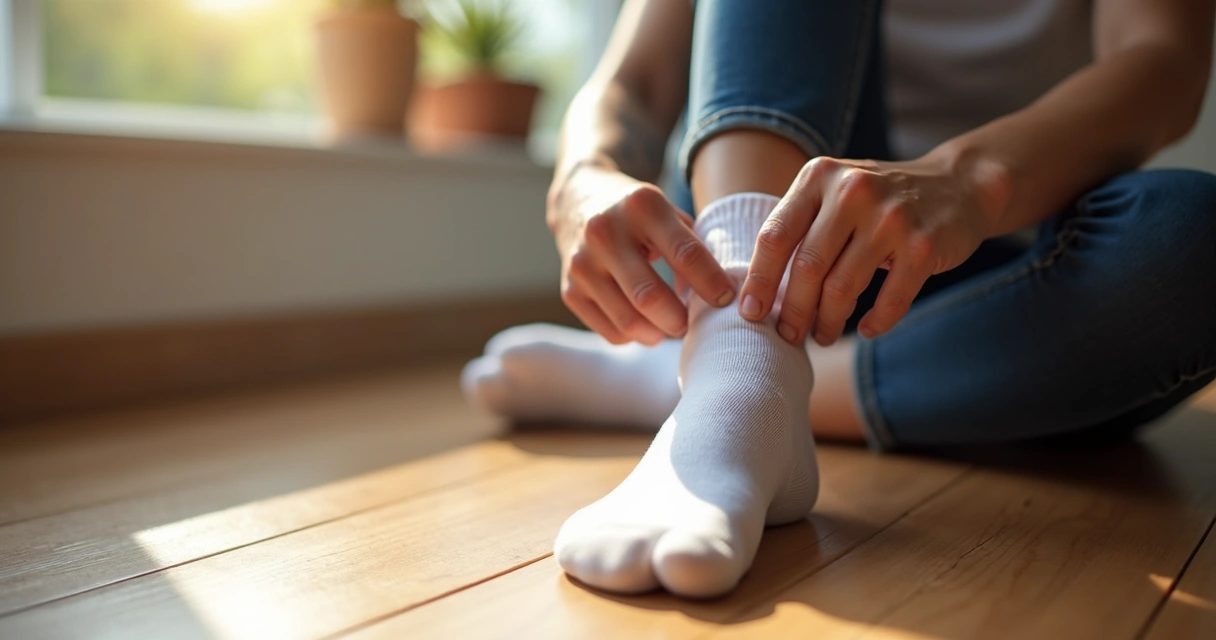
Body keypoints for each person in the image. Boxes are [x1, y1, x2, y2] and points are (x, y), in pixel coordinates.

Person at [463, 0, 1216, 598]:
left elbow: (1164, 60)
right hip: (750, 226)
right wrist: (582, 176)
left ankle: (714, 382)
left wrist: (966, 178)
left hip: (971, 268)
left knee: (1192, 246)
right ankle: (741, 357)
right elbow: (637, 81)